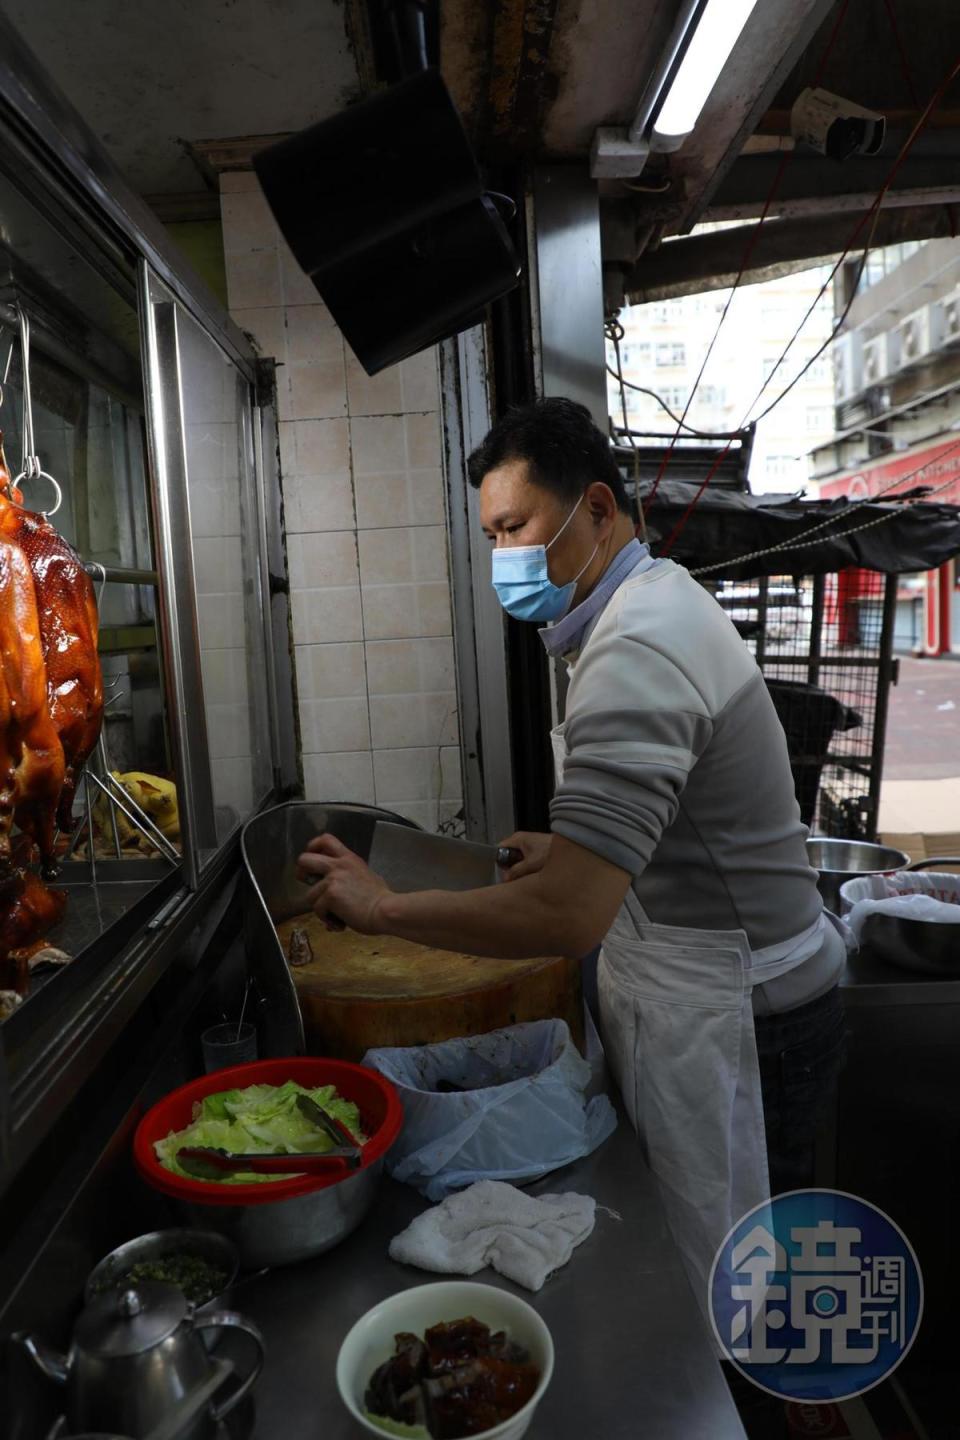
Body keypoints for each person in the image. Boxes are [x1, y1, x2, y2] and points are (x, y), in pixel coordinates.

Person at [297, 396, 847, 1305]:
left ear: (596, 508)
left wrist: (381, 908)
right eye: (490, 535)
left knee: (744, 1293)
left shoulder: (638, 646)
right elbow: (662, 827)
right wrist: (570, 846)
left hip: (748, 1024)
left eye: (515, 526)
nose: (503, 558)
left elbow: (567, 917)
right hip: (722, 992)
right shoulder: (640, 607)